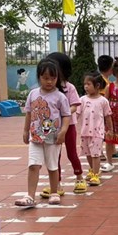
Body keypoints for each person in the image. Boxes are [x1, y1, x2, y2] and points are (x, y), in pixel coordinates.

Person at [17, 59, 71, 208]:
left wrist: (63, 131)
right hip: (35, 137)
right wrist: (25, 130)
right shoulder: (33, 94)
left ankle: (54, 192)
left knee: (52, 166)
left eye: (53, 78)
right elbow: (29, 113)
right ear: (39, 77)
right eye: (45, 78)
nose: (49, 81)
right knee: (33, 165)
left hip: (53, 138)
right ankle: (30, 196)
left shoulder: (60, 97)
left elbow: (66, 115)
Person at [43, 52, 85, 196]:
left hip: (69, 126)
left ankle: (79, 177)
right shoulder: (47, 89)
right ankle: (57, 184)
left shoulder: (69, 87)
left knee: (72, 153)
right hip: (53, 127)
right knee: (55, 155)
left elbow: (75, 104)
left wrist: (63, 113)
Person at [78, 73, 112, 187]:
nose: (86, 87)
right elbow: (76, 113)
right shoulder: (82, 100)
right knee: (87, 153)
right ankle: (93, 169)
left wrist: (110, 130)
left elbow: (108, 116)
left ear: (97, 86)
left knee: (95, 154)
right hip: (85, 131)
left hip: (97, 132)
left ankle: (96, 174)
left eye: (88, 84)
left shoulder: (103, 101)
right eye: (85, 84)